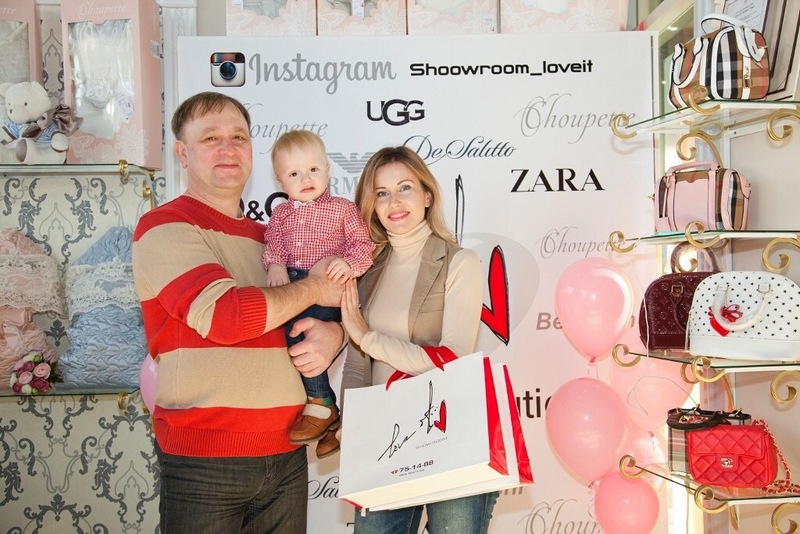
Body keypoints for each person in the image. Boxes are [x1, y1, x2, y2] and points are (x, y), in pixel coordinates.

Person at [131, 91, 345, 534]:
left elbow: (325, 305)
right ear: (182, 153)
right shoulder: (164, 226)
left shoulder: (274, 240)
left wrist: (335, 335)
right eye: (211, 138)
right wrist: (314, 287)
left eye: (239, 137)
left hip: (287, 454)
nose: (228, 148)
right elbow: (226, 318)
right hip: (205, 464)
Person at [339, 146, 498, 533]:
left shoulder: (459, 262)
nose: (394, 202)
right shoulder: (366, 270)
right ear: (371, 205)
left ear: (427, 195)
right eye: (382, 193)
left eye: (404, 188)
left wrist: (368, 337)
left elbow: (451, 358)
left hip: (451, 433)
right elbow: (358, 364)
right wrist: (352, 422)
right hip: (384, 441)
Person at [263, 129, 374, 459]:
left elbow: (363, 245)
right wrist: (275, 265)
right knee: (289, 337)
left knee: (305, 333)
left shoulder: (343, 209)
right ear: (280, 181)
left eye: (313, 169)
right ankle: (329, 416)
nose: (306, 178)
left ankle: (321, 404)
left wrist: (348, 263)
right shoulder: (281, 214)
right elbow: (273, 244)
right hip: (294, 285)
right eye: (294, 174)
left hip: (329, 288)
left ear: (327, 169)